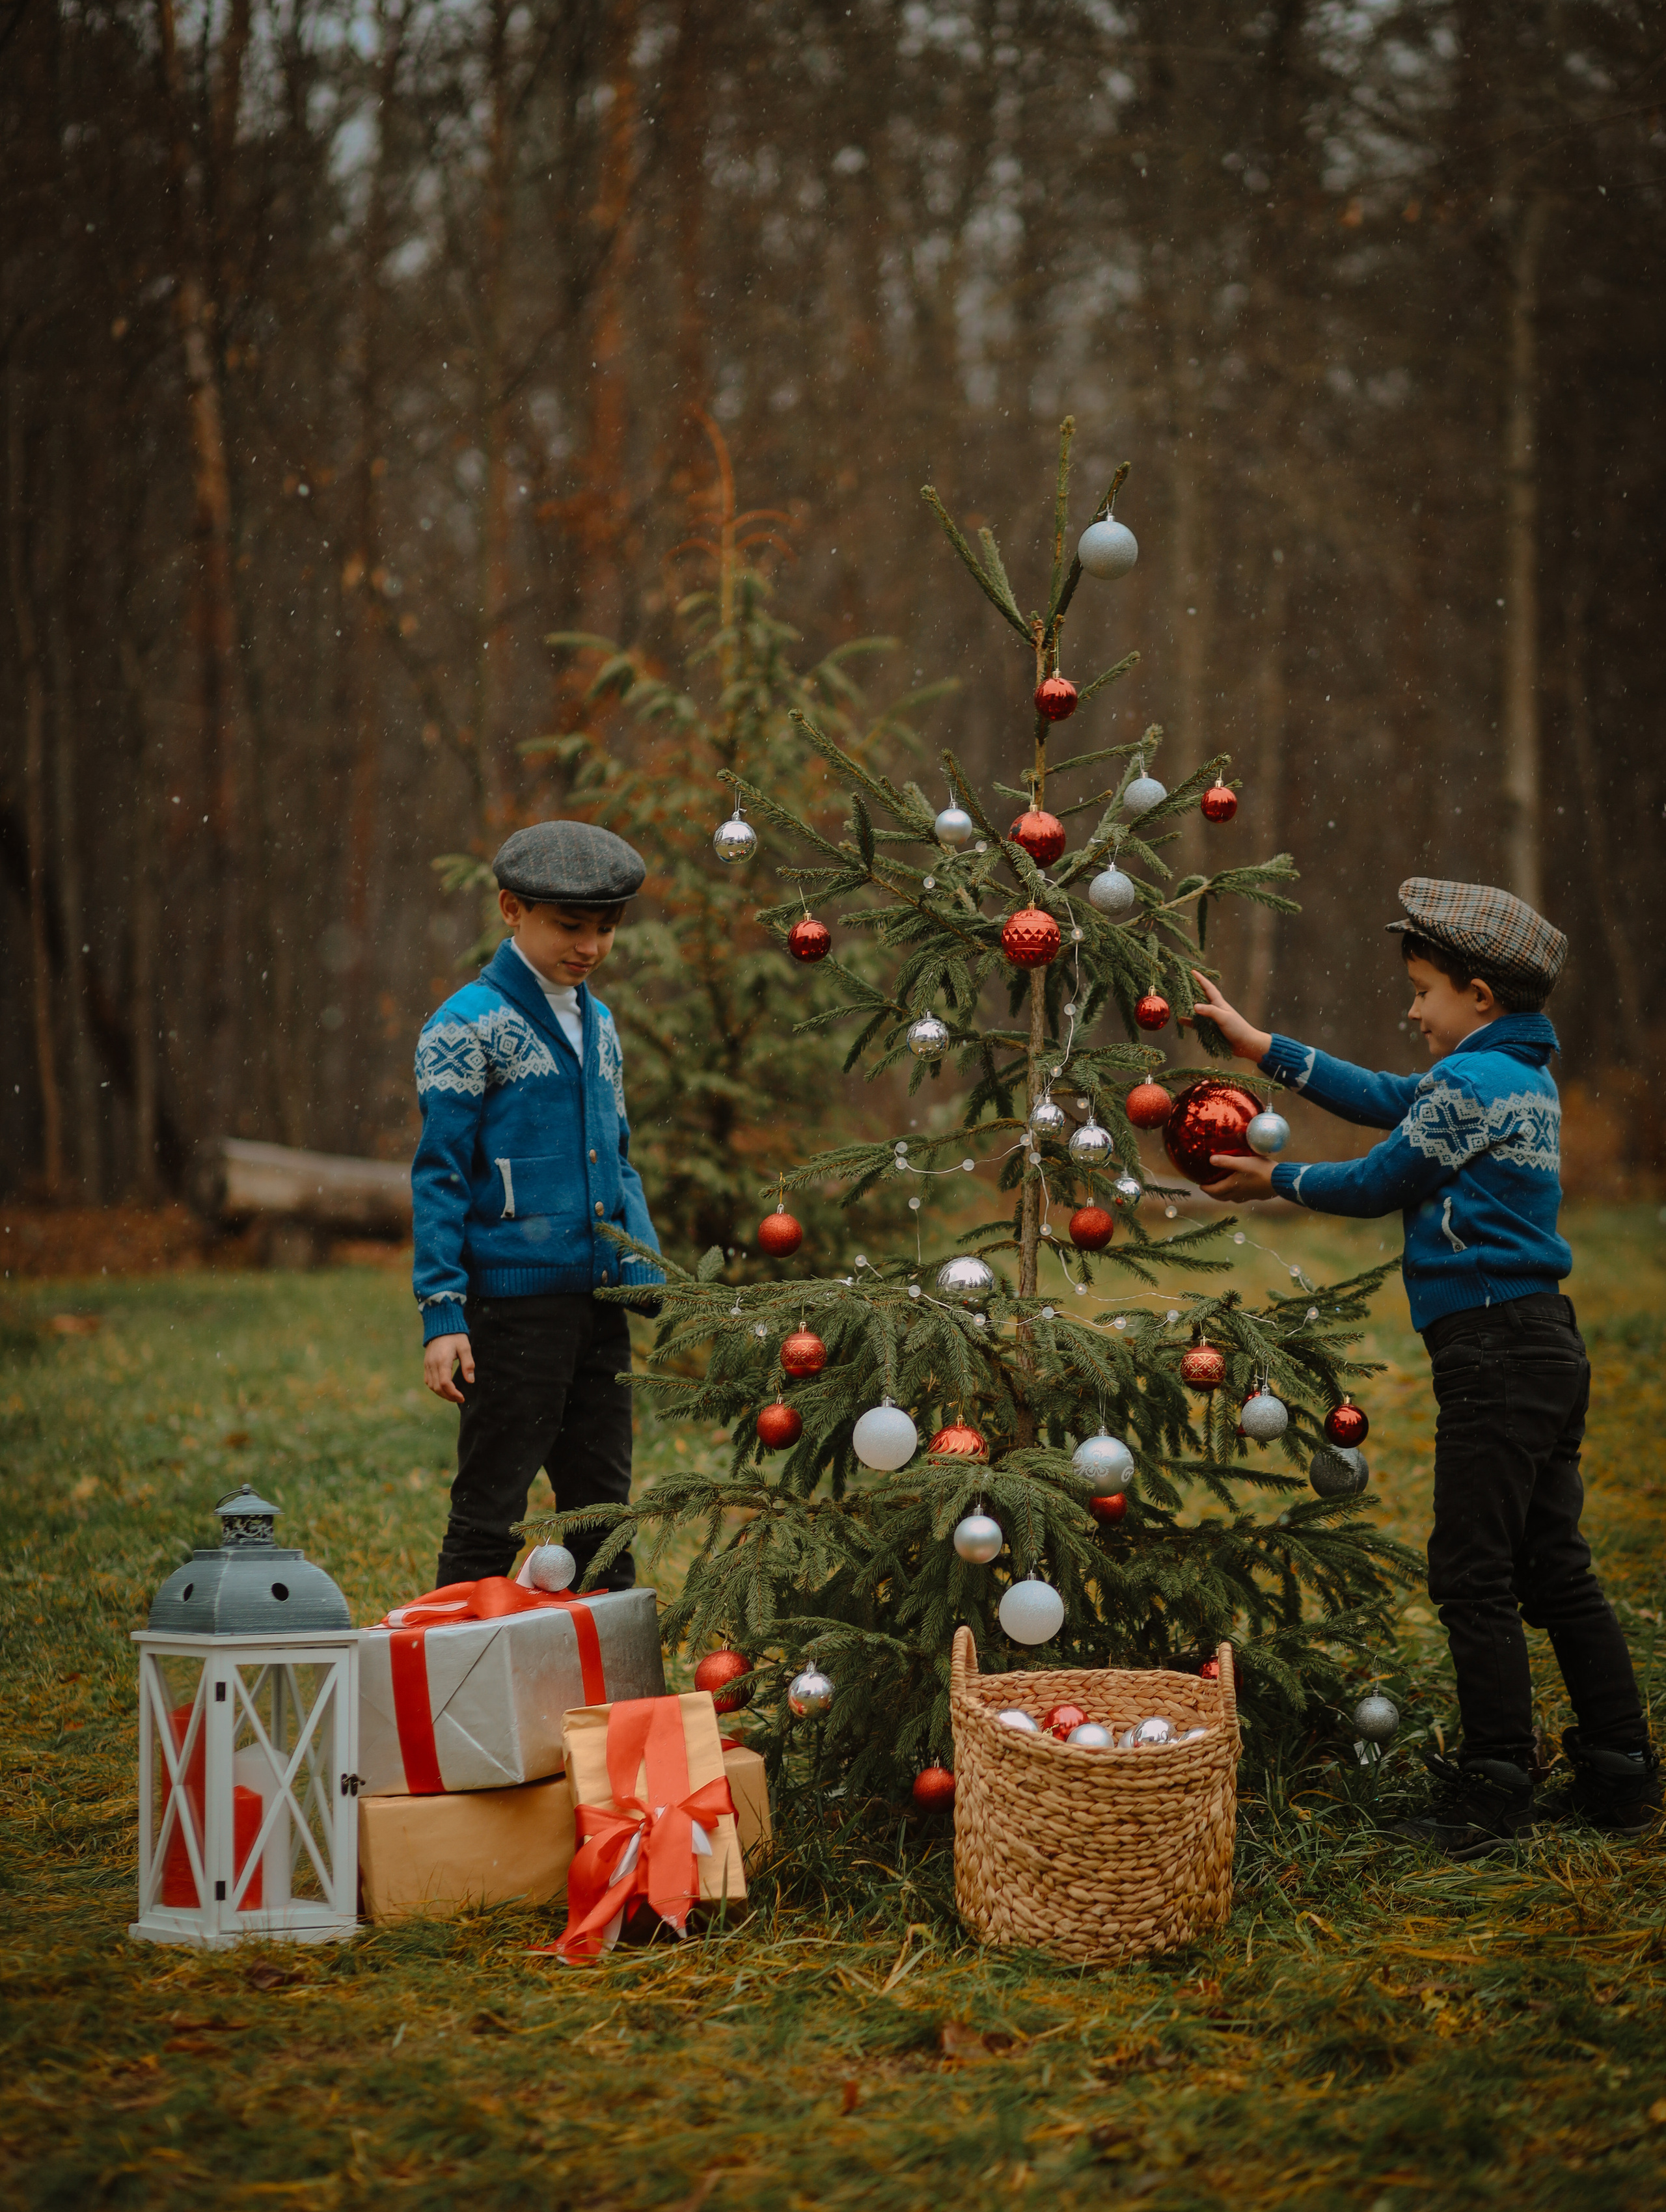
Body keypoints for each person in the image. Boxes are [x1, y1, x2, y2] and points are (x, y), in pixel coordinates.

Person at [1192, 877, 1659, 1855]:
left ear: (1478, 996)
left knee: (1472, 1572)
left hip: (1494, 1350)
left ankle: (1493, 1788)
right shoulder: (1517, 1076)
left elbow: (1381, 1180)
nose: (1411, 1012)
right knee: (1554, 1566)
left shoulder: (1472, 1083)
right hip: (1543, 1341)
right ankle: (1621, 1771)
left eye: (1422, 992)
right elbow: (1383, 1097)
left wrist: (1276, 1179)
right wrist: (1259, 1046)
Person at [411, 820, 662, 1593]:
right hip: (512, 1314)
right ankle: (452, 1647)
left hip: (597, 1306)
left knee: (603, 1512)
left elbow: (617, 1156)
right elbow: (439, 1176)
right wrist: (443, 1311)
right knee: (490, 1507)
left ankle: (608, 1662)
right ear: (512, 909)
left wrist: (642, 1265)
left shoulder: (601, 1024)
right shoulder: (464, 1026)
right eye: (570, 926)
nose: (589, 946)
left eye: (605, 929)